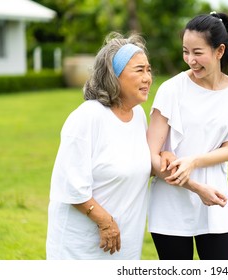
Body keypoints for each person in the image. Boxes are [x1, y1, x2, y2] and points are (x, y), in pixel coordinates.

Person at [146, 12, 228, 260]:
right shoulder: (172, 90)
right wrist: (195, 186)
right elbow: (150, 155)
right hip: (170, 205)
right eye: (185, 51)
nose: (190, 60)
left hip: (215, 201)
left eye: (197, 53)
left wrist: (192, 161)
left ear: (219, 51)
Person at [46, 32, 153, 259]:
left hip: (125, 246)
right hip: (80, 248)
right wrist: (105, 223)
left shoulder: (138, 115)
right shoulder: (88, 117)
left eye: (149, 69)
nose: (147, 78)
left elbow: (139, 163)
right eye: (139, 70)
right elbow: (71, 184)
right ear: (114, 75)